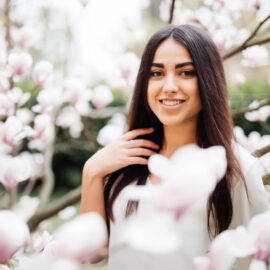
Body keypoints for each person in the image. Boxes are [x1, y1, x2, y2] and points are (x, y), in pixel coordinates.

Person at [81, 24, 269, 269]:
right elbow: (93, 253)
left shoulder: (238, 170)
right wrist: (92, 172)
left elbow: (253, 260)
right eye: (157, 73)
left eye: (186, 72)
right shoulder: (126, 159)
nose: (169, 86)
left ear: (208, 80)